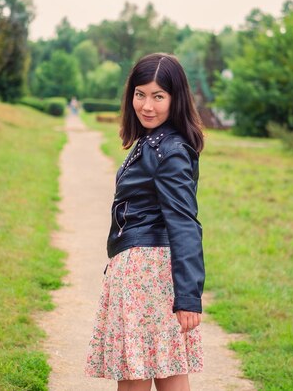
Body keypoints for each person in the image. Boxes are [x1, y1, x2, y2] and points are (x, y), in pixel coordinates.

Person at [85, 53, 205, 391]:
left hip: (147, 272)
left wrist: (188, 297)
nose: (147, 105)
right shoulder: (155, 142)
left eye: (158, 96)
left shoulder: (168, 150)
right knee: (165, 369)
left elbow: (184, 222)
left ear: (175, 98)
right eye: (140, 94)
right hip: (144, 270)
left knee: (139, 377)